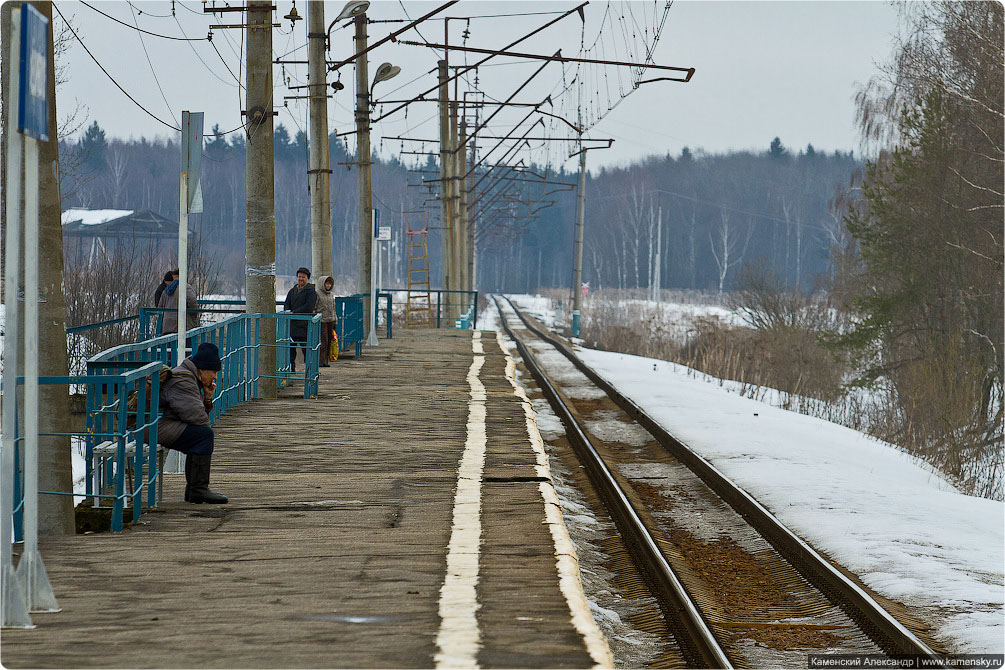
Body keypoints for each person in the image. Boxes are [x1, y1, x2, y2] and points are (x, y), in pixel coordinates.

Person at [158, 342, 228, 504]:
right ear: (202, 369)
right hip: (155, 425)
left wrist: (207, 397)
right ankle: (198, 490)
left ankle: (194, 490)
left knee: (200, 435)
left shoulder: (190, 378)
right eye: (214, 372)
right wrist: (205, 425)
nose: (215, 377)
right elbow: (196, 417)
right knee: (203, 435)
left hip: (163, 423)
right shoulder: (184, 381)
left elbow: (195, 416)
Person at [283, 267, 317, 373]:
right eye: (299, 276)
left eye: (303, 277)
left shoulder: (311, 292)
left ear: (307, 278)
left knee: (306, 350)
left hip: (304, 325)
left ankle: (309, 371)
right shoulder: (292, 291)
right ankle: (291, 370)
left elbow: (309, 306)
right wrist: (288, 312)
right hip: (292, 325)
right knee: (290, 350)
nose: (300, 279)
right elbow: (286, 303)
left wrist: (294, 312)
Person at [158, 269, 199, 334]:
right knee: (186, 344)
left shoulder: (166, 290)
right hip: (183, 325)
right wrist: (194, 315)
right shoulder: (186, 288)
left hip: (167, 325)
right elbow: (192, 302)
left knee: (170, 344)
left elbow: (160, 307)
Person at [314, 275, 338, 367]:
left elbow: (333, 308)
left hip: (330, 320)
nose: (328, 286)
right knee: (323, 341)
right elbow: (315, 307)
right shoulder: (317, 293)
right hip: (322, 320)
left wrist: (335, 320)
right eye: (326, 283)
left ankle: (326, 360)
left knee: (329, 341)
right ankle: (321, 361)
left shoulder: (331, 294)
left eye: (330, 284)